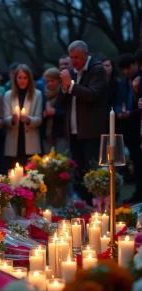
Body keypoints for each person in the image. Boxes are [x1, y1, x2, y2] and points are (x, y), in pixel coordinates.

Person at [58, 40, 107, 204]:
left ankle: (96, 205)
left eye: (77, 57)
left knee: (91, 171)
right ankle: (84, 205)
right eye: (71, 57)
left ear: (86, 55)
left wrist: (70, 86)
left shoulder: (97, 70)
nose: (73, 61)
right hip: (74, 131)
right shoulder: (71, 72)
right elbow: (62, 103)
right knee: (78, 171)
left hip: (90, 131)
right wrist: (64, 88)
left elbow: (92, 94)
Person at [4, 64, 42, 170]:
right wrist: (12, 119)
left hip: (31, 142)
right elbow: (5, 118)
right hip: (13, 142)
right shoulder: (8, 95)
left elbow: (39, 119)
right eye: (20, 77)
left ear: (29, 79)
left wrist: (29, 119)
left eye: (25, 78)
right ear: (15, 79)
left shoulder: (37, 95)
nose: (22, 80)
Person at [115, 54, 142, 203]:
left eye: (128, 68)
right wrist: (120, 111)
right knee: (135, 161)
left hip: (138, 122)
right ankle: (138, 191)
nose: (126, 72)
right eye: (123, 69)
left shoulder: (139, 80)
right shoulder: (123, 84)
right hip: (128, 128)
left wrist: (131, 112)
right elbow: (120, 100)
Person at [41, 67, 68, 154]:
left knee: (62, 160)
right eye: (47, 81)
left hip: (61, 133)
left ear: (59, 80)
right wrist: (44, 114)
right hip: (47, 134)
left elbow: (68, 113)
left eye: (52, 81)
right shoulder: (44, 94)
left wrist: (54, 112)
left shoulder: (64, 93)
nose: (49, 84)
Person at [101, 58, 120, 132]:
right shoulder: (97, 83)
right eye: (103, 66)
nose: (104, 67)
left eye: (107, 65)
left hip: (114, 117)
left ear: (112, 67)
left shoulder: (118, 84)